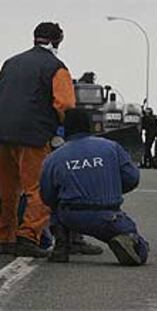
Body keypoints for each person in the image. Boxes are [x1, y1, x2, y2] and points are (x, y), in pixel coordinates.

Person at [0, 22, 76, 257]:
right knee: (39, 188)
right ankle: (28, 236)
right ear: (57, 41)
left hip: (2, 134)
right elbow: (66, 105)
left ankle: (5, 237)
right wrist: (65, 132)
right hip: (34, 136)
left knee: (6, 189)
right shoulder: (56, 67)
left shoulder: (10, 63)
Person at [40, 108, 149, 265]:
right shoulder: (112, 147)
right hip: (108, 215)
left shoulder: (53, 158)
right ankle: (128, 240)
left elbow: (46, 195)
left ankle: (62, 244)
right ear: (89, 126)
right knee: (137, 246)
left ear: (65, 130)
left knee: (57, 206)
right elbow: (132, 178)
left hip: (71, 215)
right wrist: (112, 187)